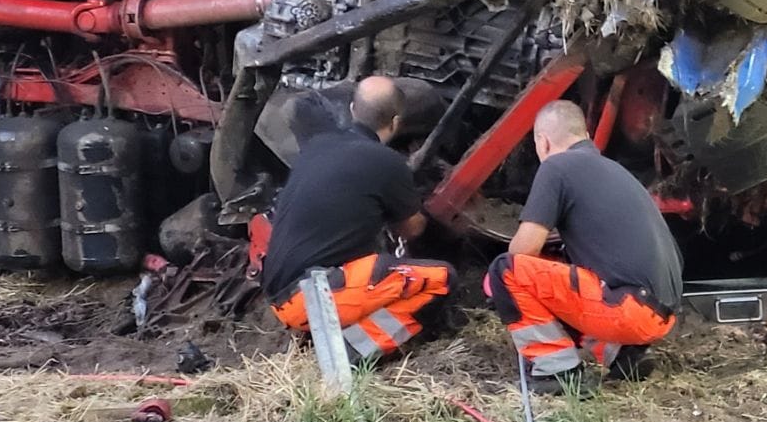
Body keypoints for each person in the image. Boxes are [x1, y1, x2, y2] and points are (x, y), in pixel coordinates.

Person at [488, 100, 683, 392]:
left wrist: (502, 292)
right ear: (586, 135)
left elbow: (523, 251)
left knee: (506, 270)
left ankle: (556, 372)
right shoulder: (615, 171)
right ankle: (619, 353)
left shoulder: (557, 166)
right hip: (663, 315)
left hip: (629, 311)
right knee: (567, 274)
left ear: (542, 142)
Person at [260, 75, 454, 364]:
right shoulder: (388, 163)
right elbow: (412, 229)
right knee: (441, 279)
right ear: (396, 121)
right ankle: (354, 352)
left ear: (352, 109)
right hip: (315, 298)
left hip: (281, 295)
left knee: (376, 270)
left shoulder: (317, 145)